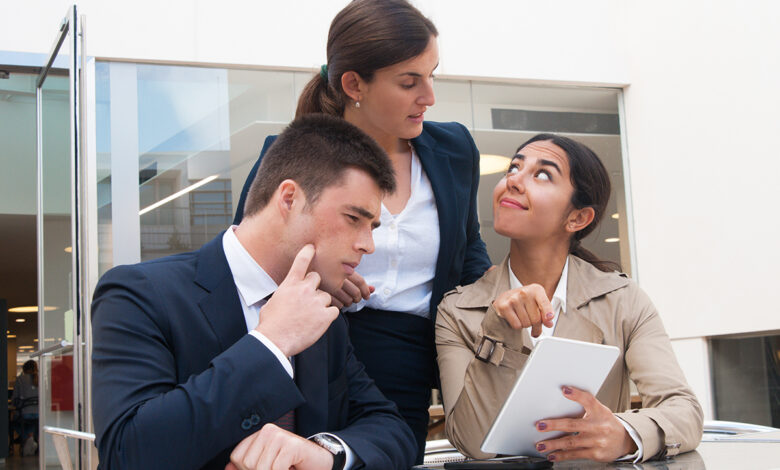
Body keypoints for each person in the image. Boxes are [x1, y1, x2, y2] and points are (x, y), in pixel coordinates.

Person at [233, 0, 491, 461]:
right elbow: (247, 257)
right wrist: (317, 276)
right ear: (354, 84)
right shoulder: (293, 154)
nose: (428, 96)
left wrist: (494, 299)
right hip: (312, 350)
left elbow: (468, 247)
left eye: (432, 75)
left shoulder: (455, 150)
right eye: (409, 82)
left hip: (409, 363)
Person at [91, 114, 417, 470]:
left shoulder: (324, 314)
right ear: (289, 198)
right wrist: (271, 343)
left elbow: (393, 431)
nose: (368, 245)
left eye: (373, 226)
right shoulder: (140, 295)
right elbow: (126, 454)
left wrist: (325, 452)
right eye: (354, 218)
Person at [436, 134, 703, 463]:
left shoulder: (622, 301)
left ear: (577, 218)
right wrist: (498, 328)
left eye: (542, 174)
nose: (514, 180)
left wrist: (625, 435)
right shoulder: (457, 311)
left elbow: (684, 411)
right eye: (514, 167)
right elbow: (473, 444)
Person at [11, 360, 39, 453]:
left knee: (13, 423)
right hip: (38, 414)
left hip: (25, 413)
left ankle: (27, 438)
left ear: (24, 369)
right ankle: (31, 439)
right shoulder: (40, 379)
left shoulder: (20, 379)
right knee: (33, 422)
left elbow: (15, 399)